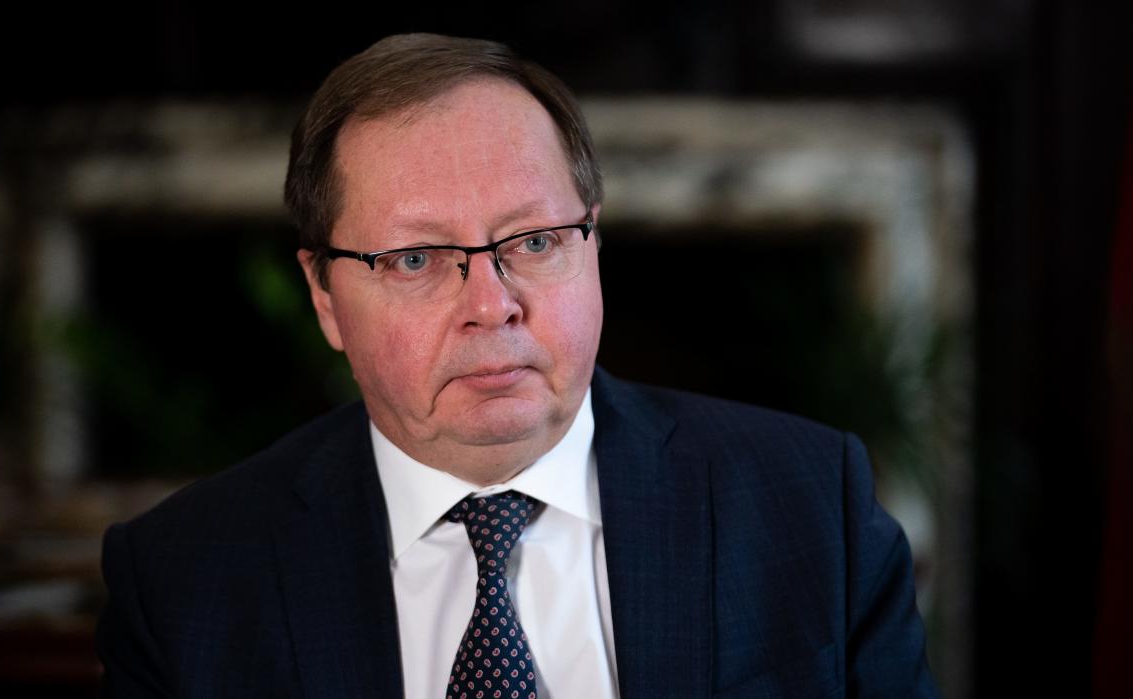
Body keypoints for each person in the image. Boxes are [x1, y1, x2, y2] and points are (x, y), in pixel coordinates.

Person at [96, 33, 938, 698]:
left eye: (533, 242)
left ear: (593, 243)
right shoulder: (183, 579)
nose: (491, 303)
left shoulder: (811, 506)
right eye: (418, 259)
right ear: (323, 295)